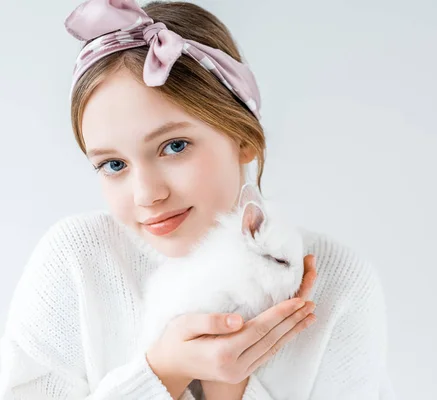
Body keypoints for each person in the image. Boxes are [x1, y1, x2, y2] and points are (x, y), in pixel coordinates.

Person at [0, 1, 395, 399]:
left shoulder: (338, 285)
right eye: (113, 165)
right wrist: (163, 372)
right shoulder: (76, 261)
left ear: (242, 137)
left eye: (174, 146)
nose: (147, 194)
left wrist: (230, 388)